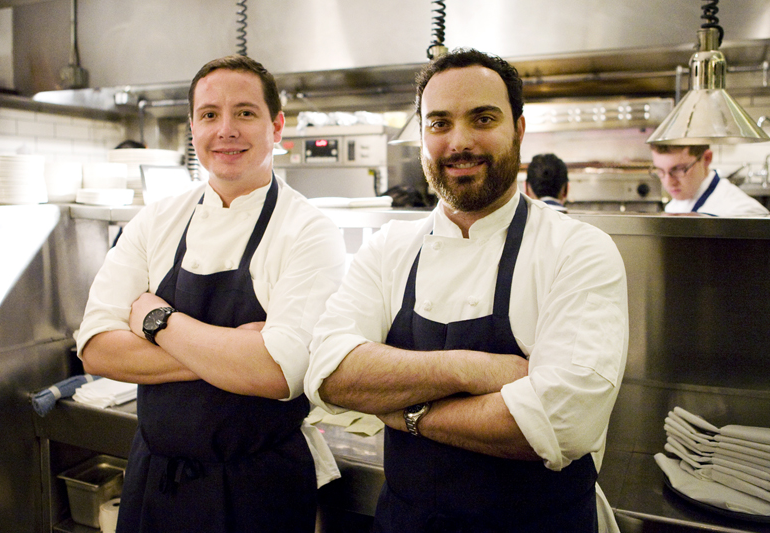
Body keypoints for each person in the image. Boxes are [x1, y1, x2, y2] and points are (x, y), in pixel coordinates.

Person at [305, 48, 628, 532]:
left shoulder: (578, 250)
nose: (459, 141)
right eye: (438, 123)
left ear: (518, 130)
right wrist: (473, 368)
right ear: (421, 137)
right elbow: (329, 373)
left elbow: (557, 422)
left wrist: (403, 413)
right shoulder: (390, 247)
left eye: (482, 119)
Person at [77, 54, 345, 533]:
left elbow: (280, 371)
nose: (226, 129)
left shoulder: (309, 229)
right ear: (193, 128)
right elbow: (96, 349)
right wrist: (233, 351)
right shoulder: (157, 220)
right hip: (154, 480)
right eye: (209, 115)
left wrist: (157, 323)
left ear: (276, 126)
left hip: (259, 490)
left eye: (245, 112)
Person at [649, 144, 769, 216]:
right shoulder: (673, 207)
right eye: (660, 171)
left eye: (679, 169)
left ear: (706, 159)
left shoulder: (744, 212)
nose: (668, 182)